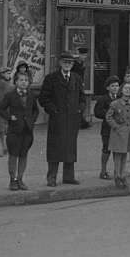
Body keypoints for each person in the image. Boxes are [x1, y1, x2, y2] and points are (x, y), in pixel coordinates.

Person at [38, 51, 86, 186]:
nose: (67, 65)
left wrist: (79, 109)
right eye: (65, 62)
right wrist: (53, 110)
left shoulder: (76, 78)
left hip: (72, 119)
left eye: (70, 63)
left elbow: (82, 98)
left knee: (70, 147)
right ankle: (52, 177)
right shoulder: (51, 78)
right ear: (60, 63)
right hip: (57, 119)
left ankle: (68, 177)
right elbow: (43, 98)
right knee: (55, 148)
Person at [106, 81, 130, 188]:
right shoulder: (115, 103)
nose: (128, 90)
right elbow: (108, 116)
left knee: (125, 154)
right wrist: (115, 126)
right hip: (117, 133)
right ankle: (117, 175)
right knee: (117, 154)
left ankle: (122, 175)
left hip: (129, 133)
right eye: (125, 88)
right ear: (121, 90)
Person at [93, 76, 121, 180]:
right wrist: (109, 114)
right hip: (107, 129)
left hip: (118, 128)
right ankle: (103, 170)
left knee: (117, 150)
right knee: (106, 149)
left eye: (117, 86)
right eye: (112, 86)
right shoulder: (103, 99)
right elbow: (97, 112)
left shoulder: (120, 98)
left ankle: (117, 171)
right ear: (108, 88)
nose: (115, 88)